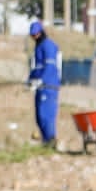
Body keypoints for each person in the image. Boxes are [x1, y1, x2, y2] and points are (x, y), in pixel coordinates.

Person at [28, 19, 62, 148]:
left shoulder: (48, 45)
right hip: (40, 87)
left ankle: (51, 141)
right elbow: (36, 67)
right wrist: (30, 80)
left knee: (46, 115)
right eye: (32, 35)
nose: (34, 36)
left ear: (41, 32)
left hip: (48, 86)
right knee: (39, 116)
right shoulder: (38, 47)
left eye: (36, 34)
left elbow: (50, 66)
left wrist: (41, 80)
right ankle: (45, 141)